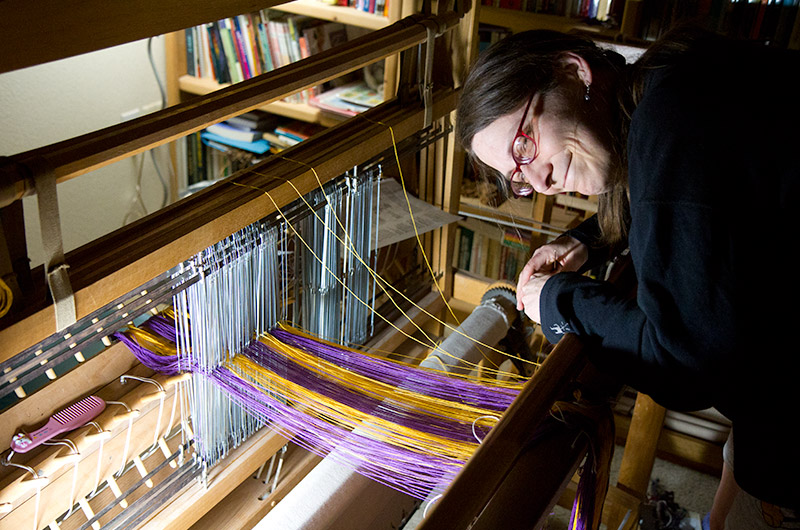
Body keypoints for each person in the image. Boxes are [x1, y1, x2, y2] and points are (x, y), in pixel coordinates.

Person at [456, 25, 800, 529]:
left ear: (574, 73)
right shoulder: (672, 80)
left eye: (524, 146)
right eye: (517, 178)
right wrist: (590, 240)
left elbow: (688, 366)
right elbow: (698, 203)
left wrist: (556, 301)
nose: (541, 183)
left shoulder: (674, 124)